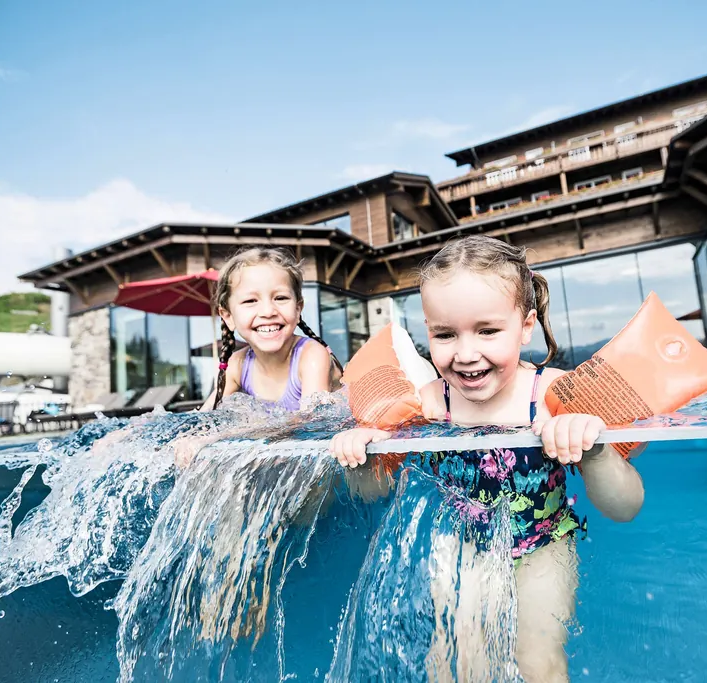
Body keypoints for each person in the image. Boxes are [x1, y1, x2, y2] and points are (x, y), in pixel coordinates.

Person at [329, 235, 645, 682]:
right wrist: (363, 456)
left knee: (537, 662)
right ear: (428, 331)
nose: (465, 353)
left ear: (526, 325)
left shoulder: (553, 395)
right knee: (450, 662)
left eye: (488, 330)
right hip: (461, 546)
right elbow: (372, 493)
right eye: (444, 334)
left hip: (542, 547)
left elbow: (626, 507)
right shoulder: (429, 404)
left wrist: (591, 450)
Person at [173, 247, 342, 468]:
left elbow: (311, 423)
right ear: (228, 316)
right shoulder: (237, 365)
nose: (267, 311)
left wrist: (220, 437)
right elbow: (203, 419)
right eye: (250, 301)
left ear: (298, 308)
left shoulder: (310, 355)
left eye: (280, 298)